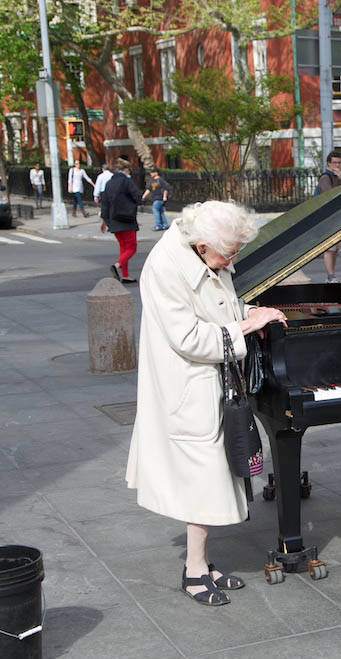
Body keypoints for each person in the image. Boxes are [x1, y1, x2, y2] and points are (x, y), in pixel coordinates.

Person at [126, 199, 288, 607]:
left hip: (210, 382)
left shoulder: (205, 253)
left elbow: (221, 307)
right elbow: (189, 338)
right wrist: (246, 326)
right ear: (202, 245)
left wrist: (252, 312)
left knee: (211, 476)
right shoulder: (166, 266)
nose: (233, 261)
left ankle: (202, 563)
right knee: (201, 480)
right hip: (187, 386)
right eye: (229, 253)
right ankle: (194, 570)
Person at [101, 159, 141, 283]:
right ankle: (117, 265)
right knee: (132, 248)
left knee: (123, 247)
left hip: (113, 220)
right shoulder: (127, 181)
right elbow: (137, 196)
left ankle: (125, 275)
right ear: (126, 169)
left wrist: (104, 220)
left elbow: (105, 203)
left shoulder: (109, 183)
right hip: (127, 219)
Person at [318, 150, 341, 282]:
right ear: (328, 163)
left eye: (339, 162)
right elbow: (330, 196)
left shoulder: (337, 176)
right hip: (328, 219)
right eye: (334, 162)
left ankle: (332, 275)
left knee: (335, 249)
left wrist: (340, 179)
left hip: (337, 218)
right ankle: (330, 276)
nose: (337, 165)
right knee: (330, 249)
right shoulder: (325, 178)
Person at [94, 163, 113, 230]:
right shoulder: (112, 175)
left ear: (103, 169)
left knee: (104, 209)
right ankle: (112, 223)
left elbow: (98, 186)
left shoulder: (100, 176)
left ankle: (109, 224)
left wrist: (96, 196)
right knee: (111, 208)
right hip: (112, 192)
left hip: (104, 193)